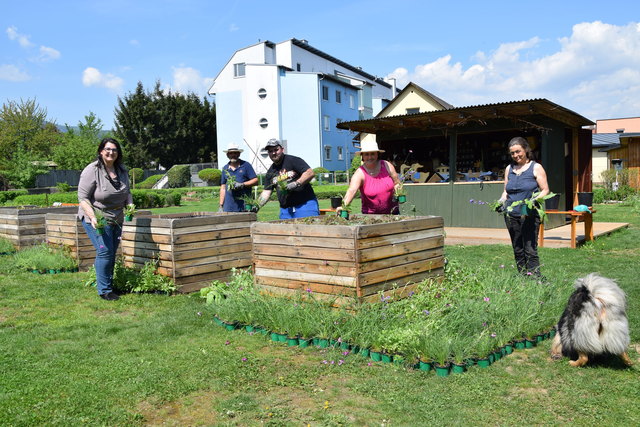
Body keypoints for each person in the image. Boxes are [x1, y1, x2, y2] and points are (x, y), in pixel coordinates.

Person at [78, 137, 133, 301]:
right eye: (108, 149)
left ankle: (108, 284)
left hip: (117, 218)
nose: (111, 152)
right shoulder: (92, 170)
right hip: (97, 218)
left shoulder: (121, 170)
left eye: (114, 150)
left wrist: (130, 206)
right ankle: (104, 290)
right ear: (101, 151)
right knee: (105, 251)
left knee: (111, 252)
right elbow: (82, 197)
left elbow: (127, 193)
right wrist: (93, 216)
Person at [499, 136, 549, 276]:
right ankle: (522, 276)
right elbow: (505, 191)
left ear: (526, 149)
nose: (516, 155)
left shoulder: (536, 167)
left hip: (529, 214)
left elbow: (545, 189)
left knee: (530, 248)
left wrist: (533, 201)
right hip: (511, 215)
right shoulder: (509, 168)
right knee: (517, 247)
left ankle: (535, 278)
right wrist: (500, 202)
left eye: (518, 151)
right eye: (512, 153)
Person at [256, 138, 319, 219]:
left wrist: (296, 183)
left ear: (282, 149)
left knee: (309, 230)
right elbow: (266, 192)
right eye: (270, 151)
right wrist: (257, 205)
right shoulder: (270, 172)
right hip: (286, 210)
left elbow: (310, 172)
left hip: (305, 205)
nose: (273, 153)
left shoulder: (293, 160)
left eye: (276, 149)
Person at [337, 140, 402, 215]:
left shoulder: (387, 165)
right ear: (362, 156)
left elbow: (397, 183)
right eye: (366, 154)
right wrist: (344, 206)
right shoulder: (360, 173)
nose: (370, 157)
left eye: (372, 154)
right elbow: (352, 190)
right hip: (371, 216)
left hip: (393, 213)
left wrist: (398, 191)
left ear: (377, 154)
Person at [219, 143, 258, 212]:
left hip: (244, 205)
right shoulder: (225, 168)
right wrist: (221, 205)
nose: (233, 155)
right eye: (231, 153)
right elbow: (223, 187)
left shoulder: (246, 165)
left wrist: (242, 184)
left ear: (239, 154)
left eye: (235, 153)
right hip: (228, 206)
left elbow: (255, 180)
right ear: (227, 155)